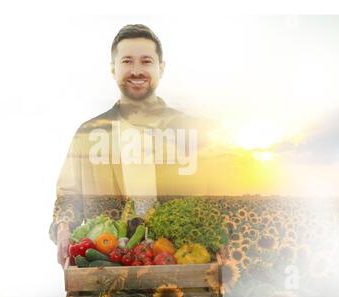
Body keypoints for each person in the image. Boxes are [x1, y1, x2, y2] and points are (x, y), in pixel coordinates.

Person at [49, 24, 220, 267]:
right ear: (113, 69)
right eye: (127, 61)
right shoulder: (88, 134)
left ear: (161, 68)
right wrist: (63, 227)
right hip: (109, 262)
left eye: (146, 61)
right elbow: (68, 195)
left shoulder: (193, 132)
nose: (136, 71)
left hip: (179, 263)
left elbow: (217, 194)